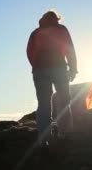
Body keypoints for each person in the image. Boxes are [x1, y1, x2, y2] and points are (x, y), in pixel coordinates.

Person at [26, 9, 77, 146]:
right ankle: (64, 134)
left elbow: (29, 52)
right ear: (56, 18)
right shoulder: (61, 29)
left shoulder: (36, 32)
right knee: (64, 99)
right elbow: (70, 49)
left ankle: (44, 139)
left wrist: (37, 66)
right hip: (59, 68)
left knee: (43, 104)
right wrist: (73, 69)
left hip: (39, 70)